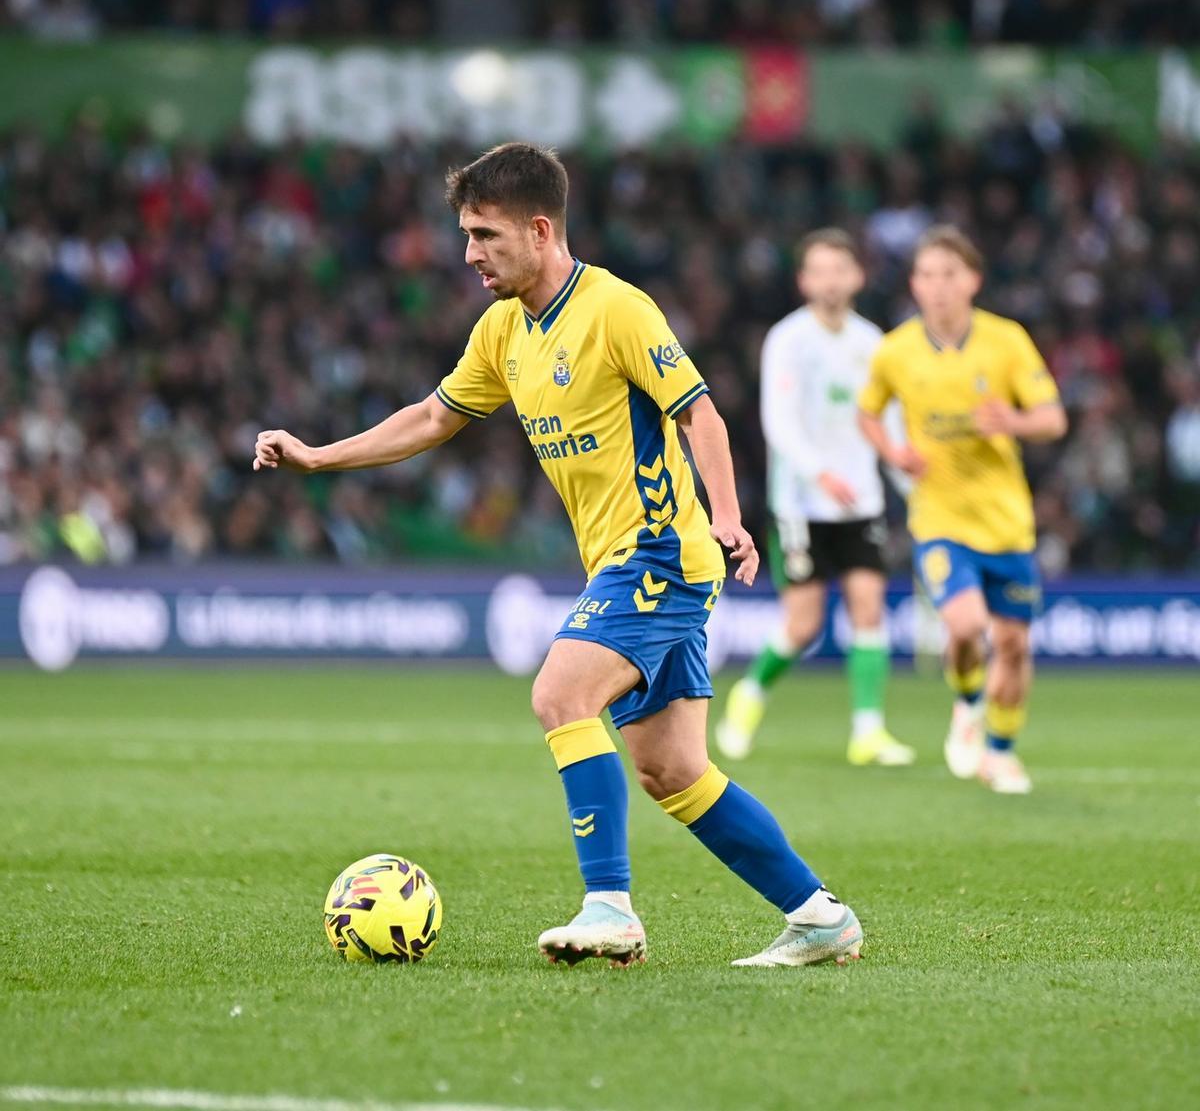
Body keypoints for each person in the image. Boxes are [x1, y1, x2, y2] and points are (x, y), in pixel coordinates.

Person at [253, 142, 863, 968]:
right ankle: (820, 917)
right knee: (673, 770)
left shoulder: (616, 309)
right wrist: (319, 456)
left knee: (560, 693)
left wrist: (728, 515)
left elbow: (700, 414)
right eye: (466, 235)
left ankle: (610, 908)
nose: (469, 254)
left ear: (539, 230)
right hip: (620, 562)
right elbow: (432, 418)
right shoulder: (503, 328)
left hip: (661, 552)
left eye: (485, 235)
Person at [858, 225, 1067, 794]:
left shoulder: (1007, 341)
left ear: (973, 280)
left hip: (1006, 522)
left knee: (1014, 646)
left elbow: (1053, 419)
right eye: (927, 275)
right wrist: (893, 452)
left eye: (949, 274)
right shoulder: (896, 350)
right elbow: (867, 413)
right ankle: (969, 702)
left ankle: (1000, 753)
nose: (939, 286)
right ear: (914, 285)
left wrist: (1014, 421)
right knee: (967, 625)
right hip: (940, 519)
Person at [716, 228, 914, 766]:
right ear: (804, 280)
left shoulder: (873, 343)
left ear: (858, 277)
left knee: (868, 608)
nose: (830, 281)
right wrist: (819, 473)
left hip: (861, 500)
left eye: (839, 270)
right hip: (800, 503)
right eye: (819, 271)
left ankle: (868, 732)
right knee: (804, 625)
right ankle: (749, 694)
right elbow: (778, 422)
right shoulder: (788, 340)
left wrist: (909, 484)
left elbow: (889, 421)